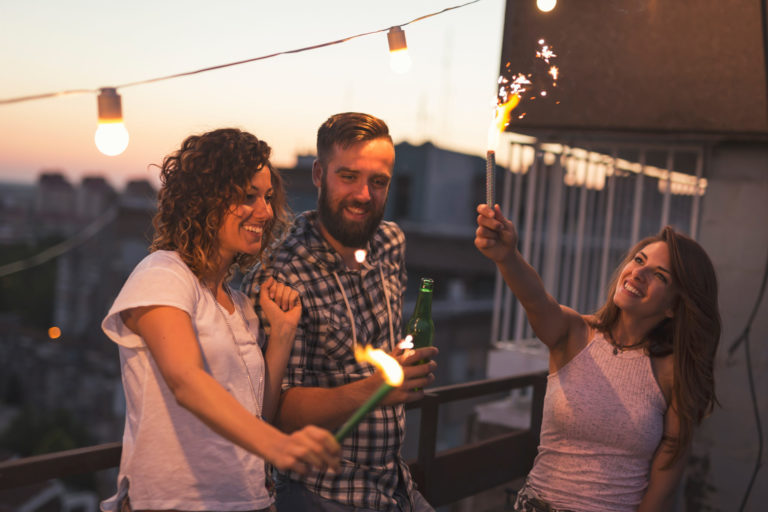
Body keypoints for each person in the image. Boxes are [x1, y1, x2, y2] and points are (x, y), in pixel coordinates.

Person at [101, 128, 340, 512]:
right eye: (247, 196)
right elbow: (187, 380)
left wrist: (281, 334)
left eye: (267, 197)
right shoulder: (163, 274)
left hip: (250, 501)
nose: (264, 212)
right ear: (204, 201)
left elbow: (255, 414)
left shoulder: (240, 305)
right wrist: (279, 446)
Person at [243, 112, 439, 511]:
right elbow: (275, 412)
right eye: (348, 176)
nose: (364, 194)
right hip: (322, 493)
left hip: (394, 482)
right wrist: (378, 389)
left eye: (378, 182)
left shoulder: (390, 241)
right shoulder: (280, 274)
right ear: (318, 174)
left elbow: (376, 340)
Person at [475, 204, 720, 512]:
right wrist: (507, 256)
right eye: (639, 260)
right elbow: (535, 298)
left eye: (659, 275)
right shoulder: (574, 332)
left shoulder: (673, 372)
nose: (638, 273)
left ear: (673, 307)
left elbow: (663, 490)